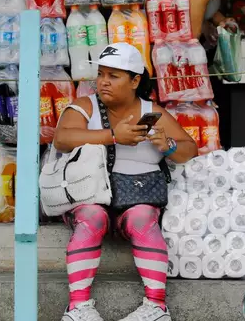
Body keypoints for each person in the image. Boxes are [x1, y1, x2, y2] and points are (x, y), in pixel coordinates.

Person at [53, 43, 198, 321]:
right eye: (101, 74)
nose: (103, 82)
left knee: (143, 217)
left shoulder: (151, 111)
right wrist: (113, 136)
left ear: (135, 81)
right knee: (92, 216)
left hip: (137, 199)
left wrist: (166, 145)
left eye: (113, 75)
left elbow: (188, 149)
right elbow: (62, 138)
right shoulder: (86, 106)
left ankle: (156, 307)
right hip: (91, 198)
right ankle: (78, 308)